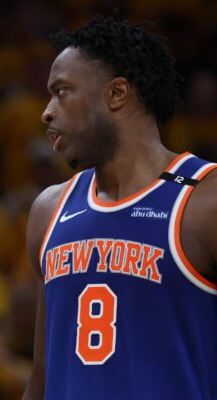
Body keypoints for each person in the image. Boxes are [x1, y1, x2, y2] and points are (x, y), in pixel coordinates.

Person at [23, 15, 217, 400]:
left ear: (116, 94)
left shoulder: (203, 201)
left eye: (62, 91)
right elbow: (43, 378)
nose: (46, 111)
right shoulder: (49, 209)